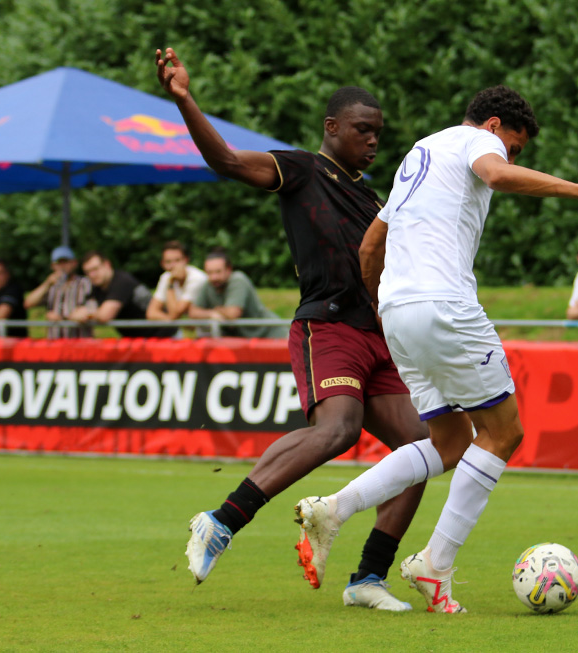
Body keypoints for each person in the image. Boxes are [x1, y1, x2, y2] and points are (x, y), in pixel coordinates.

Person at [295, 85, 578, 613]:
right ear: (494, 125)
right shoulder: (472, 143)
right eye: (514, 144)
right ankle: (435, 565)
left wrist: (386, 307)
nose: (511, 156)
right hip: (444, 305)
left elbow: (371, 245)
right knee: (504, 432)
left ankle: (335, 508)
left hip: (398, 311)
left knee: (451, 440)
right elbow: (497, 175)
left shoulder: (418, 152)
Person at [157, 47, 429, 611]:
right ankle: (222, 520)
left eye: (379, 131)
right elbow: (229, 162)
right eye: (363, 129)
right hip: (326, 329)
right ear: (332, 128)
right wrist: (185, 100)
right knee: (339, 430)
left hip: (377, 336)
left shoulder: (375, 198)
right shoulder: (303, 169)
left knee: (421, 450)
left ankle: (366, 580)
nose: (374, 139)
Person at [69, 252, 176, 338]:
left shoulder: (121, 281)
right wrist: (79, 314)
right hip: (141, 341)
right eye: (88, 272)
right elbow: (78, 311)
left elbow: (105, 315)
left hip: (166, 337)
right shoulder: (97, 287)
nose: (92, 275)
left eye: (95, 269)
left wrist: (87, 314)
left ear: (107, 264)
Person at [189, 248, 289, 339]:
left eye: (218, 272)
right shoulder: (208, 285)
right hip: (247, 342)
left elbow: (232, 313)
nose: (214, 277)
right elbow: (193, 312)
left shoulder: (238, 279)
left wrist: (214, 311)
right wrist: (212, 314)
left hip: (273, 336)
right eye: (209, 272)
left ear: (228, 270)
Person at [24, 245, 93, 339]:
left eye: (66, 262)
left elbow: (95, 306)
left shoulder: (85, 283)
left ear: (74, 263)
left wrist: (83, 314)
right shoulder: (51, 286)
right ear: (53, 266)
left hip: (80, 342)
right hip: (55, 344)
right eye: (59, 263)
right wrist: (47, 283)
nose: (62, 266)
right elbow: (28, 303)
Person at [146, 240, 207, 333]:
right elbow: (151, 313)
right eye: (168, 262)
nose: (173, 266)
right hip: (192, 331)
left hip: (209, 330)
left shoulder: (197, 278)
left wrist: (170, 284)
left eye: (177, 260)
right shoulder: (166, 277)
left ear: (186, 260)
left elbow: (174, 314)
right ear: (162, 264)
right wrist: (175, 321)